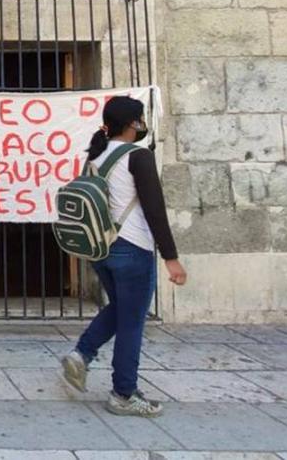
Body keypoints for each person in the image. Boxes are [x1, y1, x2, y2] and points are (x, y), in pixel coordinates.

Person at [60, 96, 188, 417]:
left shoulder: (96, 157)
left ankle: (82, 354)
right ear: (133, 124)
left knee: (120, 309)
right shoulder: (138, 156)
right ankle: (124, 393)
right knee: (132, 321)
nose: (142, 125)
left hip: (102, 248)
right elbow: (155, 209)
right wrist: (171, 257)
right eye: (140, 119)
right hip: (133, 248)